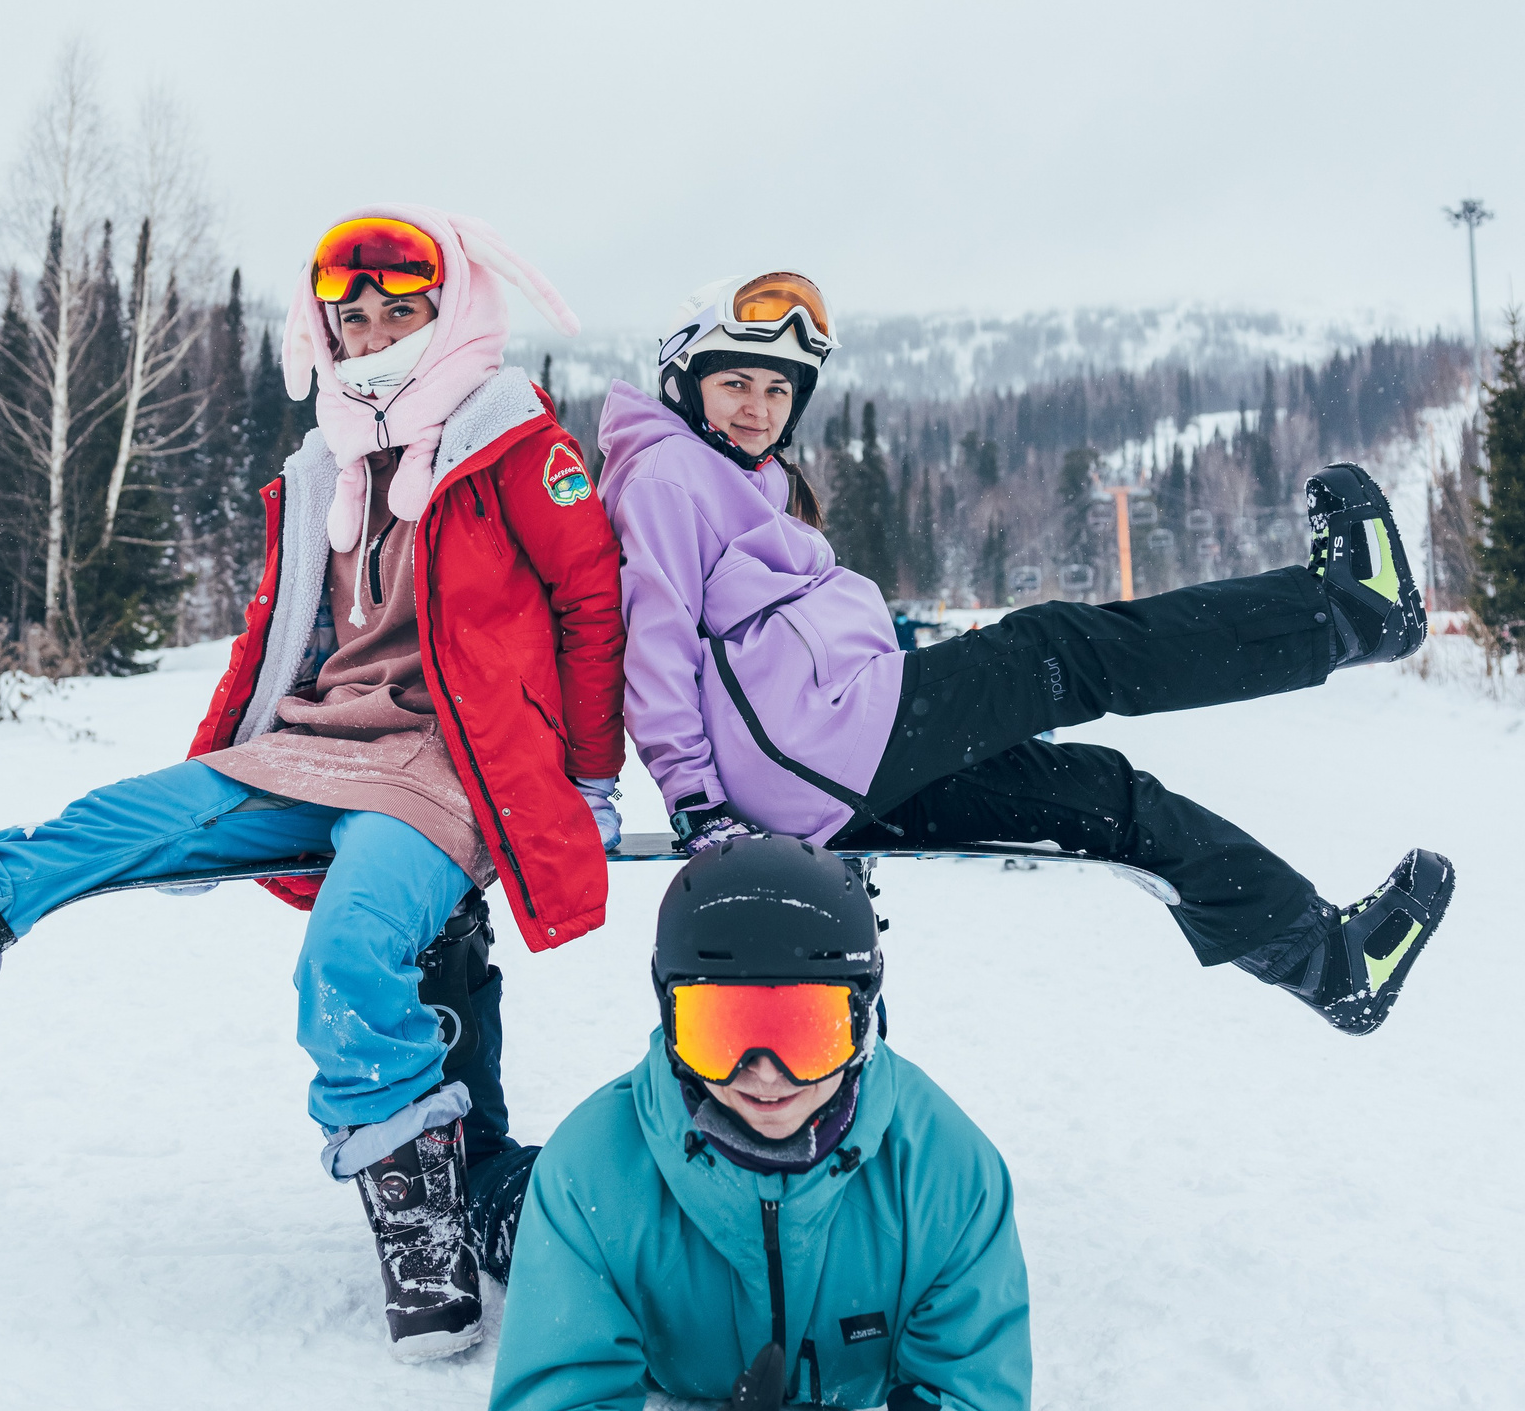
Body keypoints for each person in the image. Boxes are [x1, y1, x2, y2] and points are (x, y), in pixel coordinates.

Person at [0, 208, 626, 1360]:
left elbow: (593, 608)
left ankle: (423, 1242)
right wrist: (207, 771)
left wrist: (591, 779)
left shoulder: (514, 442)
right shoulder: (326, 463)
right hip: (319, 744)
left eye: (403, 311)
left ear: (451, 315)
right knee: (101, 828)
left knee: (348, 951)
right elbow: (275, 636)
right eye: (354, 315)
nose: (375, 331)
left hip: (456, 762)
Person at [596, 272, 1455, 1036]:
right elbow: (654, 645)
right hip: (814, 748)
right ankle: (1344, 615)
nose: (757, 407)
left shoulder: (740, 481)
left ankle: (1326, 960)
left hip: (832, 768)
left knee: (1108, 799)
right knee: (1060, 649)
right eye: (735, 382)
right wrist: (696, 802)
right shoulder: (668, 473)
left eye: (778, 389)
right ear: (683, 380)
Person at [489, 836, 1030, 1411]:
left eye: (807, 1030)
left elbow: (976, 1396)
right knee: (496, 1211)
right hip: (595, 1203)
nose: (765, 1073)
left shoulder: (946, 1171)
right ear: (668, 1011)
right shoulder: (589, 1174)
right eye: (722, 1028)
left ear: (862, 1013)